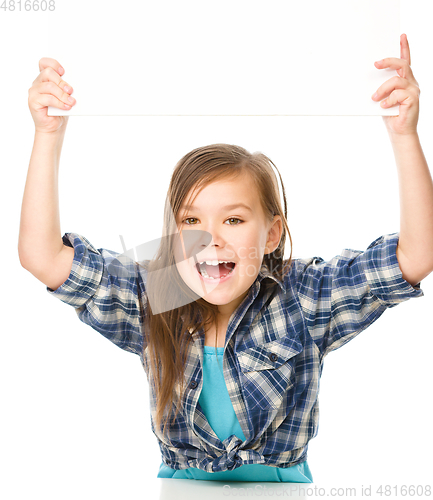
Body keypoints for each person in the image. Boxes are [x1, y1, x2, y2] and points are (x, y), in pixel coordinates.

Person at [19, 34, 432, 483]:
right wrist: (47, 135)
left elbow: (416, 255)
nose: (210, 240)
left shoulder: (303, 299)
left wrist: (404, 135)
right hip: (179, 489)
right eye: (191, 221)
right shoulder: (157, 292)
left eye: (233, 220)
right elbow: (42, 256)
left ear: (272, 233)